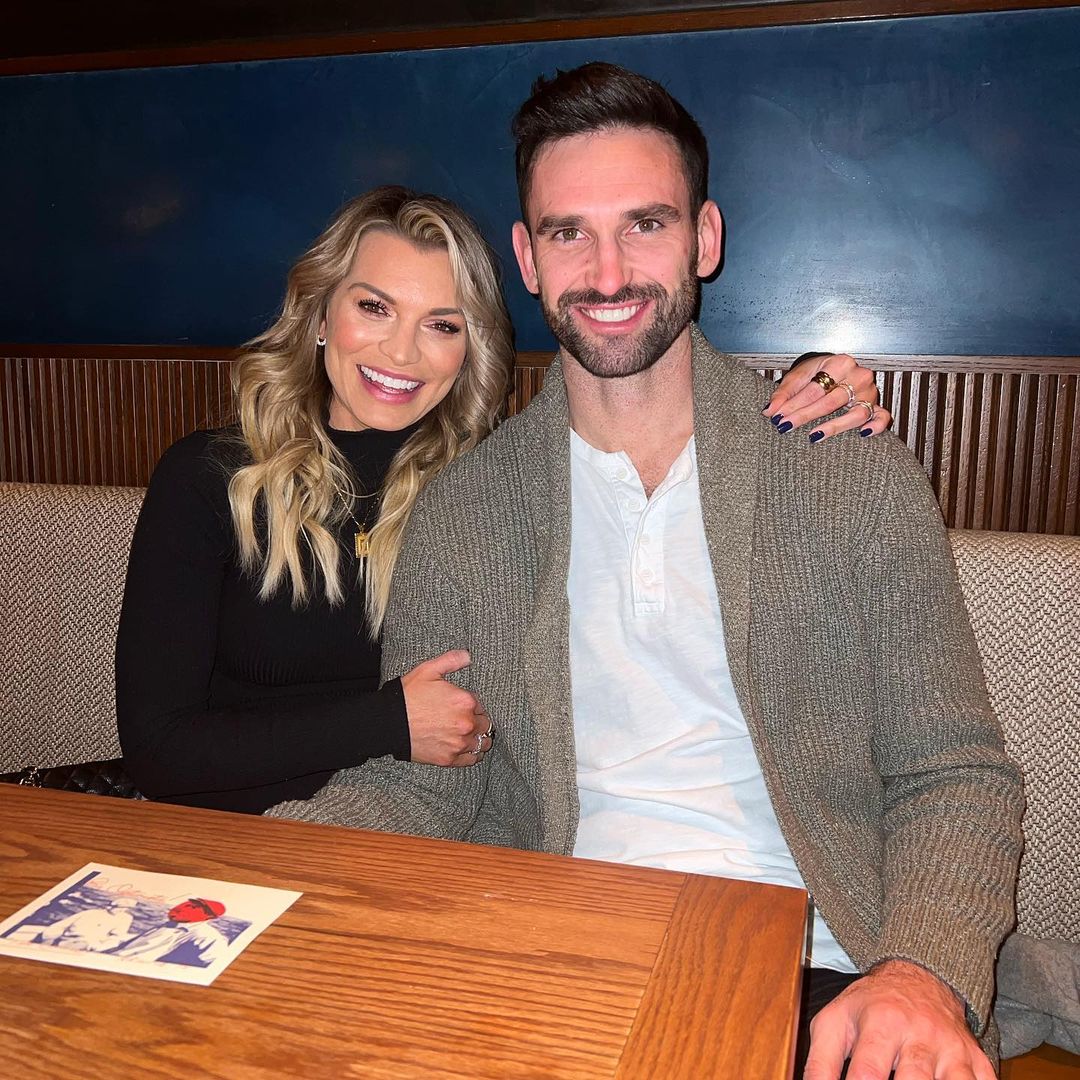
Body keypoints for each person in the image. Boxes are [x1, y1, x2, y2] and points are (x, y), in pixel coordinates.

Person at [269, 65, 1024, 1079]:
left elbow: (955, 773)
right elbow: (425, 786)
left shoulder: (849, 475)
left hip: (830, 976)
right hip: (559, 962)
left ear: (704, 239)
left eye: (647, 225)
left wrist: (922, 974)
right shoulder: (467, 510)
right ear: (528, 260)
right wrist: (275, 868)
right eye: (570, 233)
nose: (610, 271)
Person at [117, 184, 885, 815]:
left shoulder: (492, 488)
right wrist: (386, 722)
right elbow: (157, 750)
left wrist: (811, 378)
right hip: (223, 841)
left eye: (441, 324)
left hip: (423, 842)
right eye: (373, 308)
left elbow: (653, 427)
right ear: (321, 315)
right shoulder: (211, 477)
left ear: (471, 348)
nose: (401, 352)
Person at [113, 898, 229, 966]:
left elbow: (206, 964)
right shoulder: (170, 925)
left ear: (208, 916)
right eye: (186, 904)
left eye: (193, 907)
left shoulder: (207, 937)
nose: (182, 908)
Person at [37, 897, 138, 952]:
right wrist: (48, 939)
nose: (122, 910)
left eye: (126, 908)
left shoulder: (124, 918)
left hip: (89, 946)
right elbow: (61, 925)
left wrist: (100, 946)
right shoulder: (90, 913)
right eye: (119, 907)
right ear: (109, 906)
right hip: (67, 941)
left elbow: (116, 937)